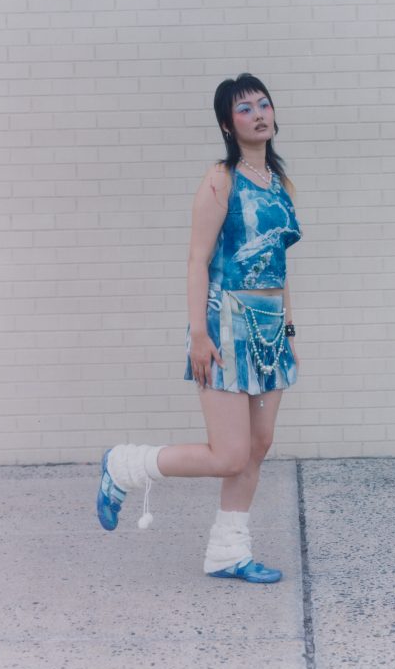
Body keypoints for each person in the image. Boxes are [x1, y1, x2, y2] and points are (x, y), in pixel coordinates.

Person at [96, 73, 302, 584]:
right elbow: (197, 260)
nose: (258, 114)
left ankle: (228, 553)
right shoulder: (220, 179)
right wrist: (199, 334)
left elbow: (278, 264)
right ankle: (126, 465)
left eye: (263, 104)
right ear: (227, 125)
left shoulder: (279, 183)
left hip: (269, 329)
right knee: (229, 454)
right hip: (225, 324)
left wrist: (289, 328)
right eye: (244, 109)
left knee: (258, 446)